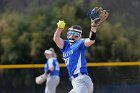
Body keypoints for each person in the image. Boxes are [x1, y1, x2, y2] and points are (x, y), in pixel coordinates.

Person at [53, 20, 98, 93]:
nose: (72, 35)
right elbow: (56, 39)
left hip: (80, 80)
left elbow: (91, 40)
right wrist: (59, 28)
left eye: (75, 34)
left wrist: (94, 27)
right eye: (71, 33)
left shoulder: (79, 43)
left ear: (79, 36)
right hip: (78, 81)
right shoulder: (65, 46)